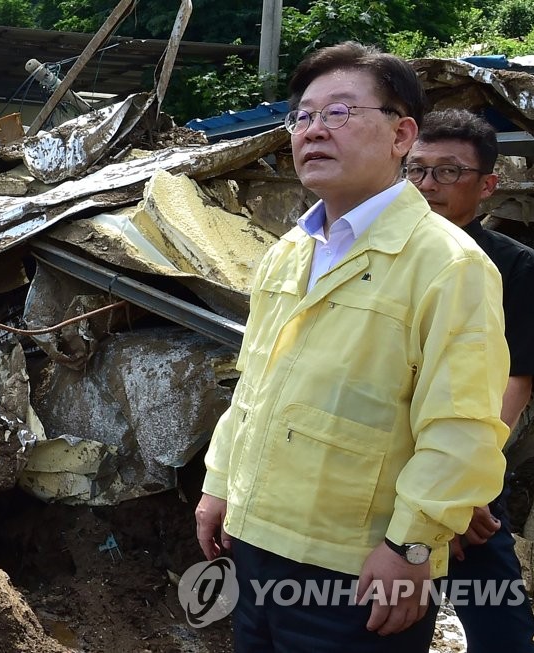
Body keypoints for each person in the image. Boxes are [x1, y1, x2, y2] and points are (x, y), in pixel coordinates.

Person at [195, 42, 511, 652]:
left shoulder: (447, 265)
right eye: (303, 116)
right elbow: (255, 388)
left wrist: (412, 546)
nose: (313, 130)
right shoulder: (290, 252)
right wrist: (220, 486)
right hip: (257, 543)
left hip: (358, 568)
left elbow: (463, 427)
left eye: (339, 113)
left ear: (402, 135)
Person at [407, 108, 534, 653]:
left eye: (447, 173)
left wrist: (463, 488)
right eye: (416, 169)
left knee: (500, 633)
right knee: (387, 618)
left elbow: (514, 384)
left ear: (487, 185)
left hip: (470, 483)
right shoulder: (379, 254)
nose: (426, 186)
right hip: (382, 475)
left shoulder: (514, 269)